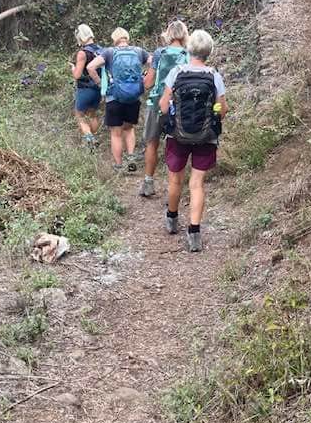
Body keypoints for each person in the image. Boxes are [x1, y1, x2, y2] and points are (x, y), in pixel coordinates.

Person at [159, 29, 227, 252]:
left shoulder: (177, 72)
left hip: (177, 134)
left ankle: (171, 219)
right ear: (209, 51)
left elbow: (163, 104)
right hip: (206, 136)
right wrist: (213, 111)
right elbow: (222, 110)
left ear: (189, 49)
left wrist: (174, 114)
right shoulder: (214, 76)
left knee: (175, 180)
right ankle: (194, 233)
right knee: (197, 184)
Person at [88, 28, 150, 172]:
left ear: (114, 38)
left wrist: (101, 84)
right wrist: (145, 79)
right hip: (133, 97)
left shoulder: (109, 52)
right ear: (127, 38)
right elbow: (154, 63)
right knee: (129, 129)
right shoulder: (139, 51)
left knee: (116, 133)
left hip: (114, 97)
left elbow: (91, 67)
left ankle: (118, 165)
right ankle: (131, 158)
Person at [139, 20, 189, 198]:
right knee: (174, 146)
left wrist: (144, 78)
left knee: (152, 143)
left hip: (156, 104)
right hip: (179, 107)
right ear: (184, 34)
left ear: (168, 34)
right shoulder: (188, 54)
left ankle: (148, 183)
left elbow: (148, 83)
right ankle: (173, 191)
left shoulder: (160, 53)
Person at [70, 24, 102, 147]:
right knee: (92, 114)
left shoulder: (83, 53)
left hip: (85, 89)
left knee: (79, 115)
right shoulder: (101, 50)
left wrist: (73, 68)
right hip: (98, 89)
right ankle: (93, 138)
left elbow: (77, 75)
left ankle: (90, 140)